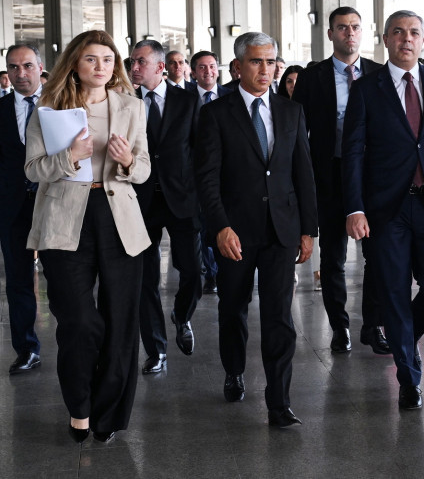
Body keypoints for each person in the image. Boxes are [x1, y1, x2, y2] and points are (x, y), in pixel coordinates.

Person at [25, 29, 151, 444]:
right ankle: (79, 405)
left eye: (109, 60)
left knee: (121, 325)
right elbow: (33, 170)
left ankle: (106, 414)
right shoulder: (49, 107)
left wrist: (128, 159)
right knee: (79, 323)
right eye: (92, 59)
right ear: (75, 65)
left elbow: (145, 169)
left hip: (118, 219)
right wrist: (69, 157)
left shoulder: (132, 107)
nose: (102, 67)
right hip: (65, 220)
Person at [342, 10, 424, 410]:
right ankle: (408, 375)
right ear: (385, 40)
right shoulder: (366, 89)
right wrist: (355, 208)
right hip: (386, 209)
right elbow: (353, 152)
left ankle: (403, 337)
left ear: (422, 39)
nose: (406, 39)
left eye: (414, 32)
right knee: (395, 292)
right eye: (398, 32)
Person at [195, 31, 317, 428]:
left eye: (271, 62)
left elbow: (303, 173)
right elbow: (207, 179)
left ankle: (279, 402)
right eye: (256, 62)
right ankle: (234, 370)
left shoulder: (290, 111)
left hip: (282, 230)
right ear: (238, 66)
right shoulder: (216, 113)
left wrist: (308, 229)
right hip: (236, 233)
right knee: (233, 308)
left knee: (280, 316)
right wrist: (220, 227)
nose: (266, 70)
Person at [292, 6, 389, 355]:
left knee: (376, 254)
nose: (350, 33)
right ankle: (339, 326)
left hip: (372, 177)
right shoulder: (312, 77)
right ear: (330, 34)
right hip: (329, 176)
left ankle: (374, 325)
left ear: (363, 33)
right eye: (342, 28)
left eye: (355, 27)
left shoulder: (380, 74)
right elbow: (297, 134)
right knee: (332, 258)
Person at [130, 40, 203, 375]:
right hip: (140, 201)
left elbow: (202, 152)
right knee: (145, 279)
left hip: (182, 198)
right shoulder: (125, 103)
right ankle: (156, 349)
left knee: (193, 272)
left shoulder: (188, 101)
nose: (133, 68)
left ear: (160, 67)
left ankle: (181, 315)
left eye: (140, 62)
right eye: (131, 62)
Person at [0, 43, 44, 374]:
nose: (21, 73)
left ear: (39, 67)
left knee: (64, 279)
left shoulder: (62, 104)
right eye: (14, 68)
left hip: (54, 205)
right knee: (17, 280)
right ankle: (27, 348)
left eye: (27, 66)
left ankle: (80, 343)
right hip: (13, 207)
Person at [190, 50, 233, 295]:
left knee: (220, 222)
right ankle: (211, 272)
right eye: (203, 68)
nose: (208, 71)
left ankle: (219, 270)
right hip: (193, 177)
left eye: (212, 66)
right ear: (194, 72)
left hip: (224, 176)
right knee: (202, 228)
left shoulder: (231, 96)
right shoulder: (185, 99)